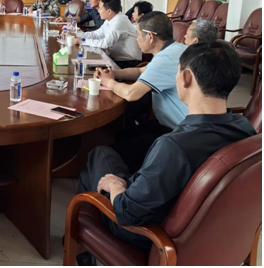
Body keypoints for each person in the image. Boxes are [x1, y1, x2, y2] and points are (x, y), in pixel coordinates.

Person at [76, 42, 254, 263]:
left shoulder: (175, 147)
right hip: (203, 228)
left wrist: (116, 185)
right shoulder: (245, 128)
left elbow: (126, 212)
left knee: (99, 155)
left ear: (186, 77)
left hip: (147, 232)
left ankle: (82, 246)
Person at [95, 12, 189, 168]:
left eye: (138, 35)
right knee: (120, 135)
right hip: (173, 124)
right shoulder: (177, 49)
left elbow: (131, 94)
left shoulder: (165, 58)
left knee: (112, 151)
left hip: (177, 134)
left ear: (150, 36)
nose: (136, 39)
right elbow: (140, 71)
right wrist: (114, 74)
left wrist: (108, 82)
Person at [74, 0, 142, 69]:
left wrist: (82, 41)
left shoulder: (120, 21)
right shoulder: (110, 19)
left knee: (86, 67)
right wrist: (76, 35)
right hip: (115, 60)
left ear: (109, 11)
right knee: (84, 64)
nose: (98, 11)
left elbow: (105, 44)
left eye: (100, 8)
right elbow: (96, 34)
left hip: (129, 64)